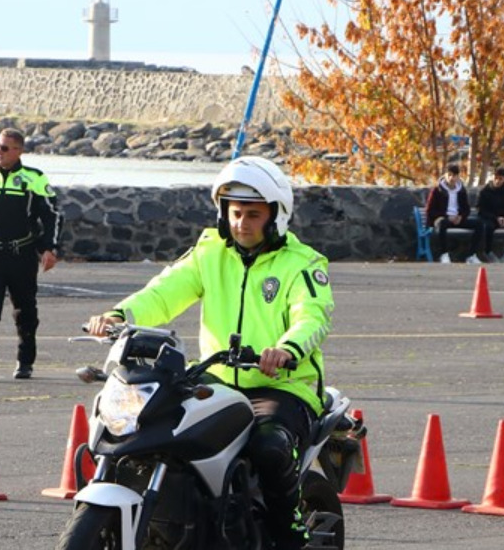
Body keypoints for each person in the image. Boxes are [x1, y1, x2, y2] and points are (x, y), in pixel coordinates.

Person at [86, 156, 333, 549]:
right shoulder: (209, 252)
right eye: (235, 213)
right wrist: (120, 314)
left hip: (282, 387)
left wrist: (286, 349)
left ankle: (293, 537)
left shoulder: (301, 264)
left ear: (276, 216)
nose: (241, 223)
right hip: (216, 381)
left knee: (269, 448)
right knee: (150, 426)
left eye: (253, 214)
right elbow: (164, 292)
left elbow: (312, 317)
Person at [0, 128, 64, 381]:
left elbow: (53, 216)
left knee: (25, 311)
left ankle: (25, 360)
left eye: (4, 148)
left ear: (18, 150)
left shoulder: (33, 178)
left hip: (22, 255)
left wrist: (50, 248)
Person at [425, 163, 485, 263]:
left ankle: (471, 255)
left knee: (479, 224)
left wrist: (461, 216)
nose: (452, 178)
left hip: (458, 219)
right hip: (443, 219)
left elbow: (466, 208)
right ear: (445, 175)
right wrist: (447, 217)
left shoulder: (461, 190)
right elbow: (430, 210)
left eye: (454, 175)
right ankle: (444, 254)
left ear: (458, 176)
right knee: (442, 224)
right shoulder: (437, 190)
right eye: (449, 175)